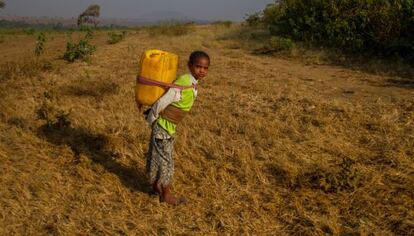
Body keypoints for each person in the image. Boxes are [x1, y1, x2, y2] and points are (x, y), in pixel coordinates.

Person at [145, 51, 210, 205]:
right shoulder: (184, 81)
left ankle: (155, 187)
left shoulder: (192, 82)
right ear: (190, 66)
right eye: (198, 66)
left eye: (205, 68)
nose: (201, 70)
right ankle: (166, 194)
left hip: (168, 128)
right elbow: (164, 100)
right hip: (163, 128)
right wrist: (152, 118)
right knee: (166, 161)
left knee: (156, 157)